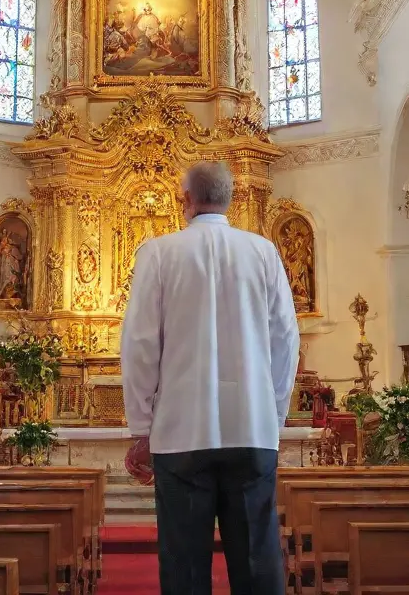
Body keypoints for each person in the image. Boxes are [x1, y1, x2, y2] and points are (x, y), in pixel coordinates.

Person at [121, 161, 301, 595]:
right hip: (252, 431)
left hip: (181, 433)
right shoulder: (263, 252)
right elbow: (285, 339)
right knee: (257, 558)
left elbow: (140, 344)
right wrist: (272, 415)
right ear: (231, 199)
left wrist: (142, 427)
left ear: (186, 200)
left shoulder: (159, 252)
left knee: (184, 564)